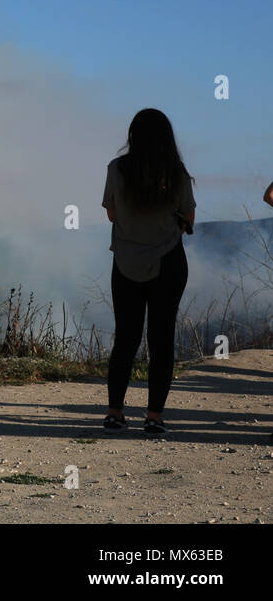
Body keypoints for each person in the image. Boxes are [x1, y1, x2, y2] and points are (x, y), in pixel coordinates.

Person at [101, 108, 195, 436]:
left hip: (126, 261)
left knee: (125, 338)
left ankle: (115, 412)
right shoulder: (178, 174)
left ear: (132, 136)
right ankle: (154, 416)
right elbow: (189, 220)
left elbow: (112, 214)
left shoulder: (117, 169)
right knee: (162, 339)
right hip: (168, 262)